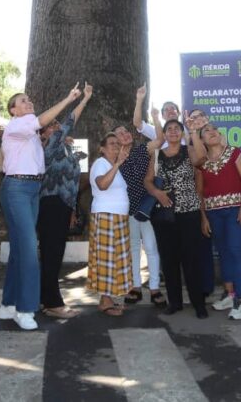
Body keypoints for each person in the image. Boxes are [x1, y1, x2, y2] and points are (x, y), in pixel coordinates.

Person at [0, 83, 85, 330]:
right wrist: (68, 97)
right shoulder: (18, 125)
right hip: (17, 188)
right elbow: (43, 120)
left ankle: (8, 304)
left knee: (18, 250)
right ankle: (26, 309)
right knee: (28, 251)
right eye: (22, 101)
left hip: (32, 189)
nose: (28, 102)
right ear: (13, 110)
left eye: (29, 99)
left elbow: (53, 129)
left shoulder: (31, 134)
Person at [38, 82, 94, 318]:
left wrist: (71, 208)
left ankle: (46, 299)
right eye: (50, 126)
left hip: (62, 205)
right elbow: (70, 121)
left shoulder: (66, 149)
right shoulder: (48, 148)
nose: (56, 126)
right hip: (49, 205)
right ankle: (52, 303)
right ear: (42, 134)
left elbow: (72, 184)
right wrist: (82, 100)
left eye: (56, 124)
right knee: (51, 253)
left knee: (55, 253)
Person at [143, 118, 209, 318]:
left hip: (189, 212)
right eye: (169, 129)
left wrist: (194, 133)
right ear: (163, 134)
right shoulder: (156, 155)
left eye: (176, 129)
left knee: (191, 259)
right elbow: (147, 181)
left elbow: (202, 159)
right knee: (169, 259)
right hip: (164, 214)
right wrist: (157, 193)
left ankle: (198, 304)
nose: (173, 131)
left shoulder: (188, 151)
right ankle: (175, 302)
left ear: (181, 133)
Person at [196, 124, 241, 320]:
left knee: (235, 251)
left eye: (214, 130)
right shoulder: (201, 163)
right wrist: (203, 217)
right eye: (206, 132)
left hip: (234, 210)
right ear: (202, 140)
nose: (212, 132)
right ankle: (230, 295)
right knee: (223, 253)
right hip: (213, 213)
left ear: (220, 135)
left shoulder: (234, 153)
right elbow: (200, 192)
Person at [121, 85, 164, 304]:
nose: (125, 134)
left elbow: (160, 140)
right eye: (119, 134)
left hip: (145, 207)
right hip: (127, 209)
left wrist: (154, 116)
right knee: (133, 249)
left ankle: (155, 287)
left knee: (151, 247)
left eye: (126, 131)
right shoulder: (113, 159)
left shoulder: (141, 150)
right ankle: (135, 286)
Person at [89, 133, 132, 316]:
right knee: (106, 259)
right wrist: (117, 164)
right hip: (106, 216)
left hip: (117, 217)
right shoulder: (101, 164)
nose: (116, 146)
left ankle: (109, 298)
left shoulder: (114, 166)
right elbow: (102, 185)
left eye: (117, 143)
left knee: (114, 259)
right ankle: (105, 301)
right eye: (112, 143)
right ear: (102, 148)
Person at [184, 108, 215, 298]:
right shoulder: (188, 141)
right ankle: (204, 287)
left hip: (219, 198)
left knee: (228, 246)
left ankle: (238, 289)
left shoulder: (217, 136)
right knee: (202, 247)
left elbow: (210, 159)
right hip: (198, 199)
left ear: (207, 118)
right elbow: (199, 162)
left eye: (200, 117)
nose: (197, 120)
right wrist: (193, 134)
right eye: (193, 118)